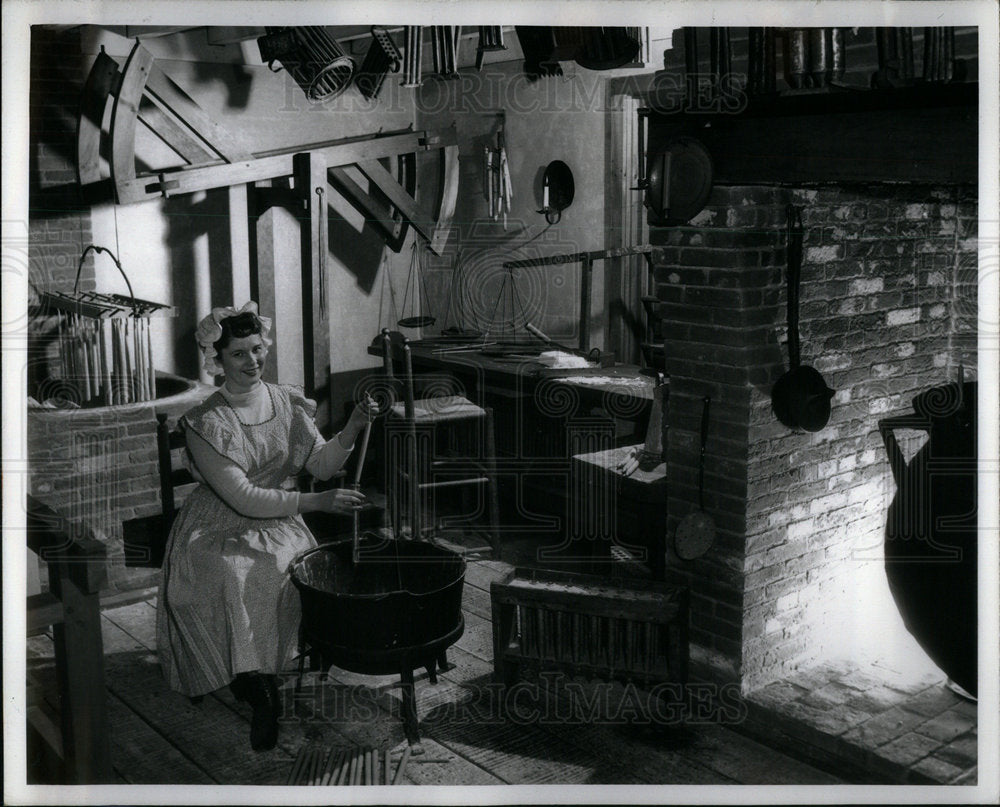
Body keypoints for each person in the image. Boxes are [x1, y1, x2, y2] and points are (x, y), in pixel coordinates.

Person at [156, 301, 378, 752]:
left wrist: (352, 427)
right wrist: (316, 500)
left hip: (278, 520)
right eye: (238, 354)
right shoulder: (206, 422)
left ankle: (263, 671)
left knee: (291, 569)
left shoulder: (285, 401)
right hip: (215, 524)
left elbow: (321, 463)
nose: (252, 361)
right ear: (217, 360)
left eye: (257, 349)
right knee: (233, 573)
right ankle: (254, 686)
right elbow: (242, 498)